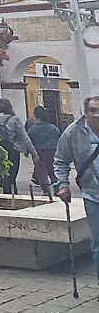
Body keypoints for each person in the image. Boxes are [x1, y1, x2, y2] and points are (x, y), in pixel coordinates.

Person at [54, 96, 99, 282]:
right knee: (98, 243)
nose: (97, 114)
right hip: (92, 195)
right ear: (85, 112)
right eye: (93, 110)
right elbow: (61, 160)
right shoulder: (73, 132)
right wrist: (63, 184)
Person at [0, 98, 33, 194]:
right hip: (13, 151)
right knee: (11, 176)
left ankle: (1, 195)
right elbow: (25, 137)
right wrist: (33, 152)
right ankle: (12, 194)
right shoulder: (15, 119)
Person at [26, 105, 62, 196]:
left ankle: (46, 190)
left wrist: (28, 151)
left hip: (38, 152)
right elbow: (59, 138)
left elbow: (29, 141)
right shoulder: (53, 128)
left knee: (41, 171)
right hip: (52, 151)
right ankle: (56, 186)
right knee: (51, 170)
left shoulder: (32, 129)